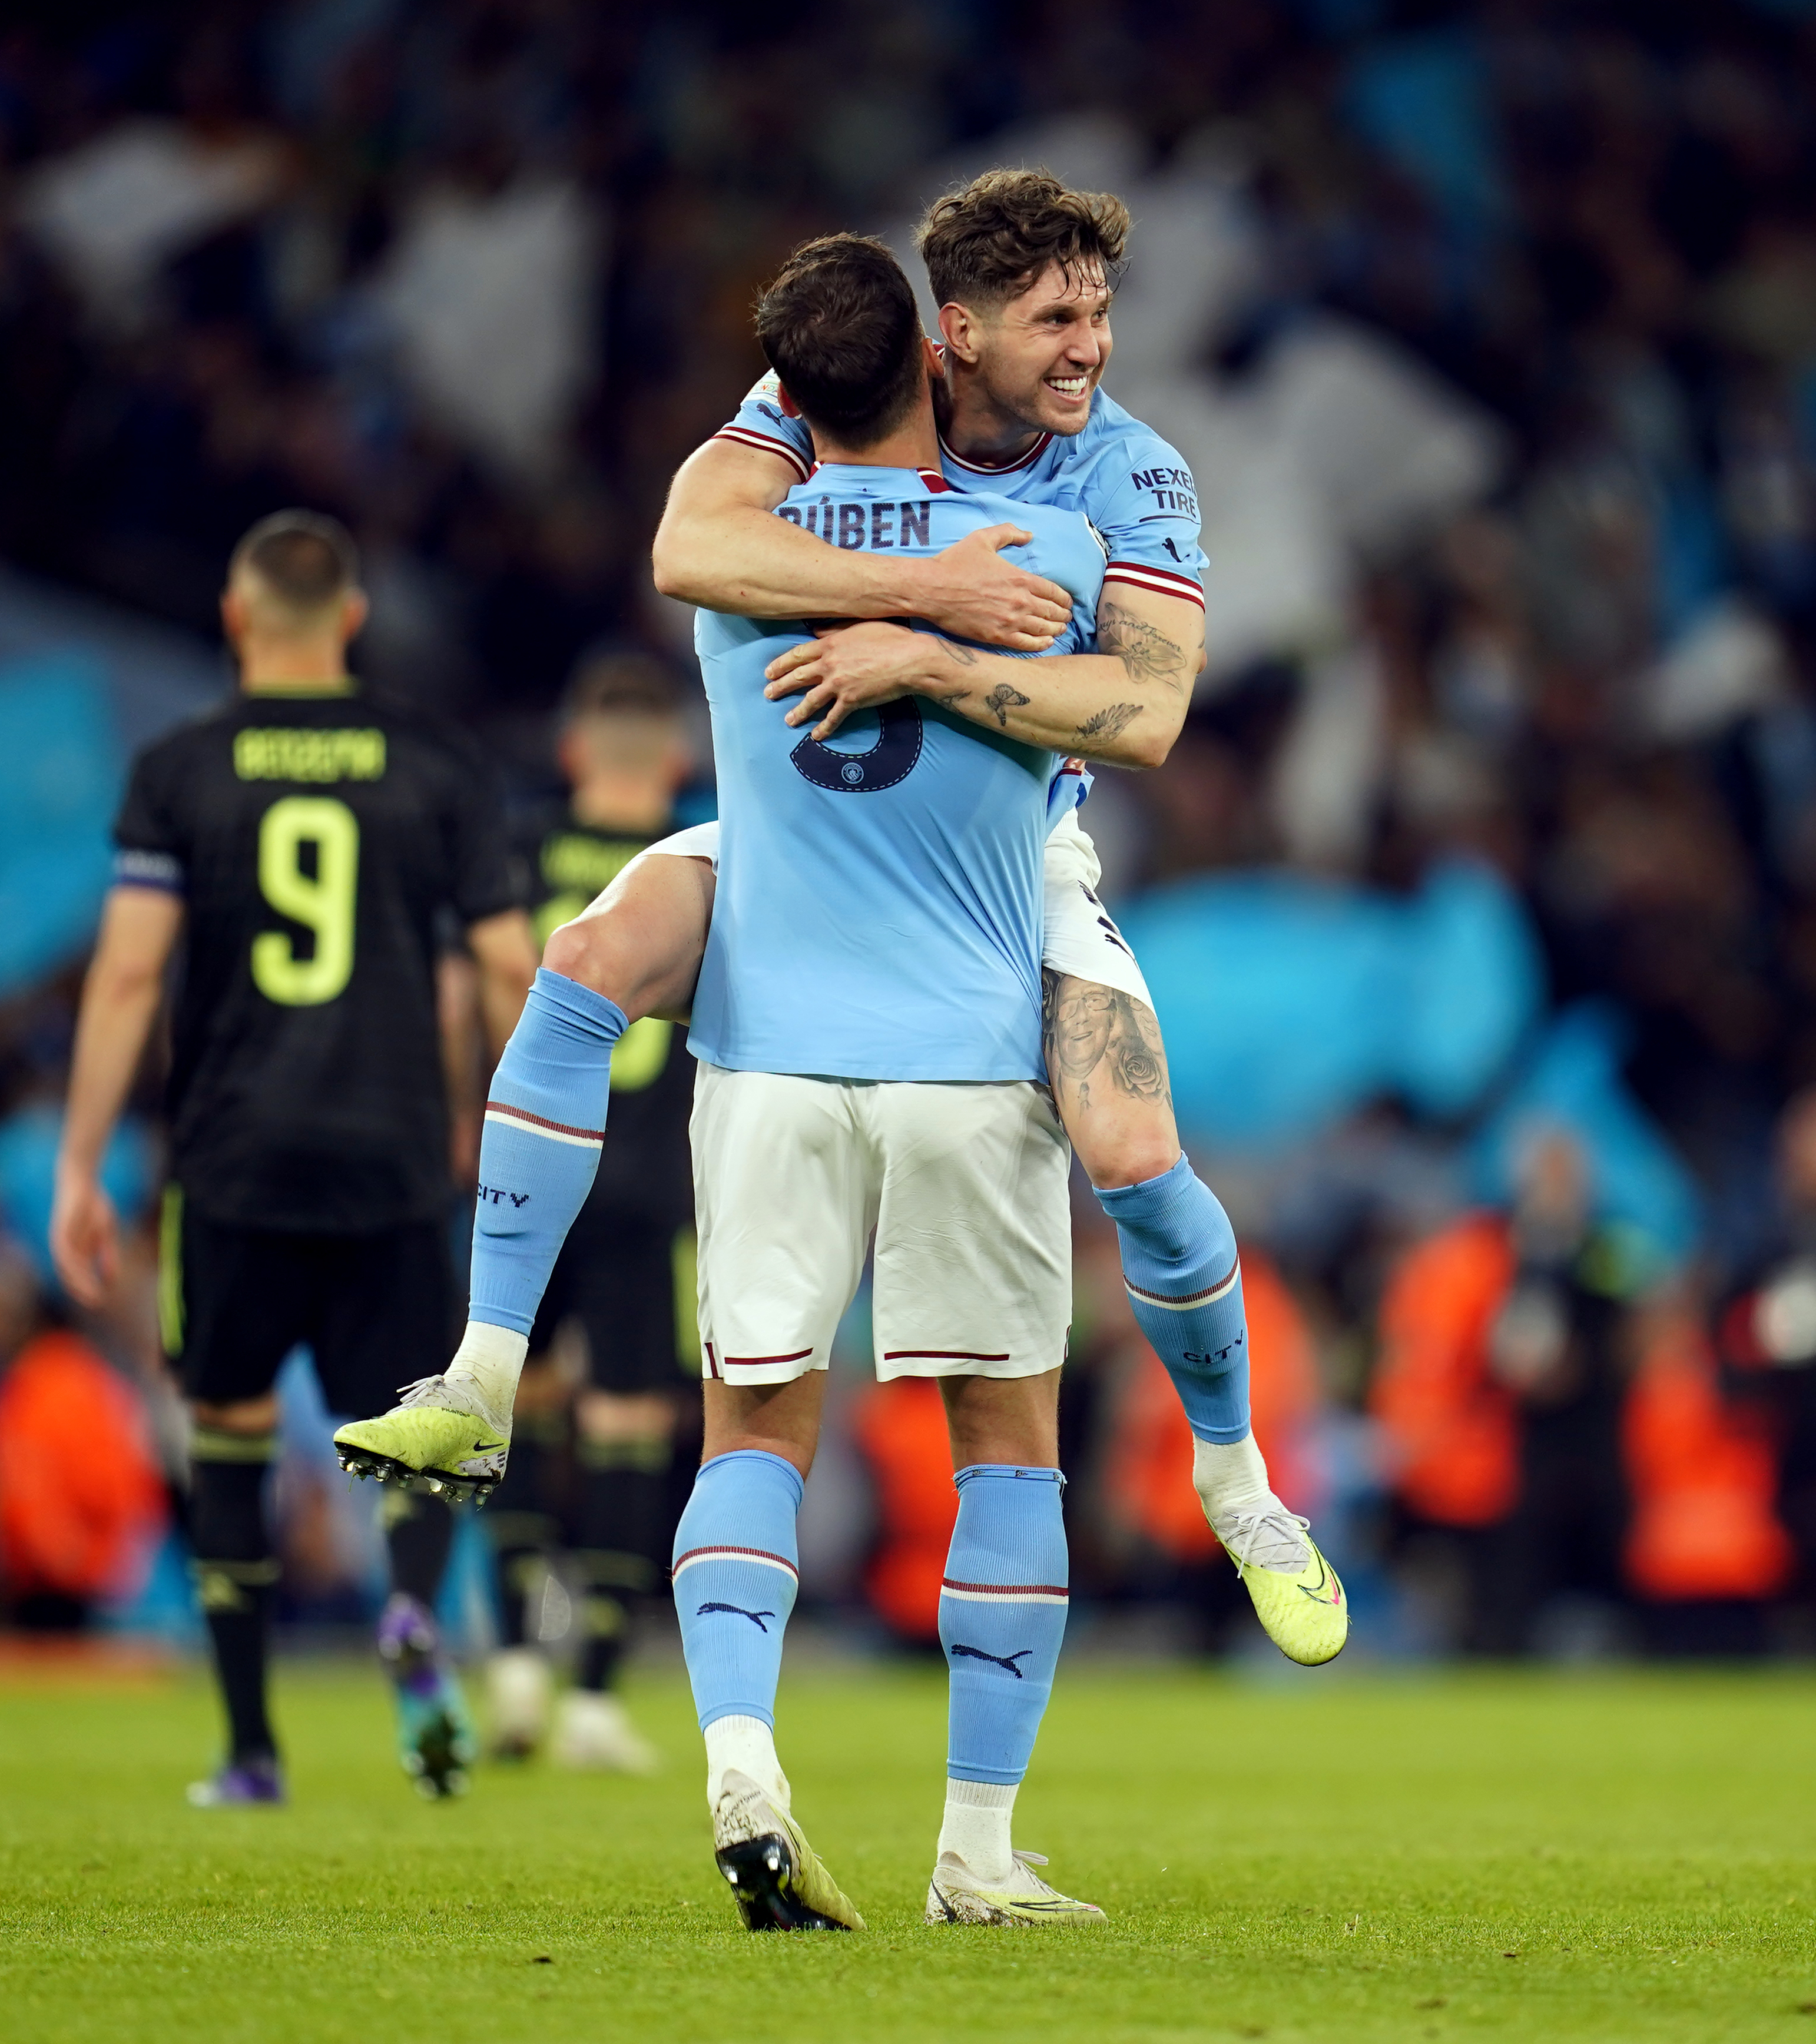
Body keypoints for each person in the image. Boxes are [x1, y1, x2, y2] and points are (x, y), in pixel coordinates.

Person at [340, 169, 1348, 1675]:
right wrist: (925, 589)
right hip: (804, 828)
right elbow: (690, 546)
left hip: (1013, 853)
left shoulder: (1133, 475)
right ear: (959, 330)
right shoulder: (847, 378)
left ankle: (1236, 1473)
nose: (1093, 347)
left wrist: (921, 661)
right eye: (1057, 317)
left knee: (1136, 1152)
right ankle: (483, 1369)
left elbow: (1144, 710)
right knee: (589, 955)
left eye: (1103, 313)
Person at [51, 510, 537, 1804]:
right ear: (355, 620)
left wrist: (80, 1165)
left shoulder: (178, 770)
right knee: (419, 1428)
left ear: (234, 616)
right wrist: (519, 1121)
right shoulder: (435, 762)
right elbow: (502, 963)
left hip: (232, 1160)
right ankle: (415, 1616)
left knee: (230, 1427)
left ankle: (253, 1748)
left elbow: (130, 973)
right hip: (391, 1154)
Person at [483, 652, 696, 1774]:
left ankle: (517, 1665)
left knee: (526, 1403)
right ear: (675, 762)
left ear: (573, 754)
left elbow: (475, 993)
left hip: (532, 1164)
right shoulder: (707, 864)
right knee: (630, 1425)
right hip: (653, 1181)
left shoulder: (520, 853)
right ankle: (598, 1704)